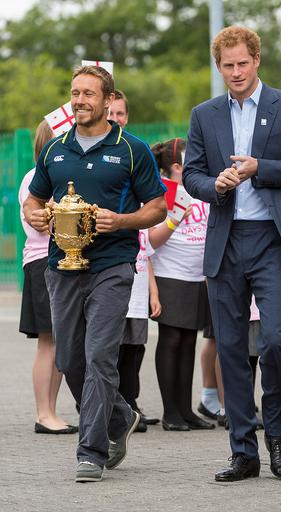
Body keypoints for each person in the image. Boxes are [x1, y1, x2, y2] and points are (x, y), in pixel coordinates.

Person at [183, 25, 281, 481]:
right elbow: (191, 176)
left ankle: (279, 436)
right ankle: (243, 451)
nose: (237, 72)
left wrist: (259, 167)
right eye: (228, 65)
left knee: (276, 341)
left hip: (273, 240)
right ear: (218, 66)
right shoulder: (204, 114)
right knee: (228, 348)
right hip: (225, 240)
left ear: (257, 60)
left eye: (243, 63)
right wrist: (216, 184)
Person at [23, 65, 167, 483]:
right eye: (75, 93)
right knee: (69, 359)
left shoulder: (131, 149)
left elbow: (157, 207)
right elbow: (33, 201)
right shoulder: (55, 150)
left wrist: (119, 221)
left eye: (89, 93)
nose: (81, 101)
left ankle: (92, 450)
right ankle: (120, 416)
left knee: (100, 355)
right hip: (61, 267)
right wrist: (36, 218)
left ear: (107, 100)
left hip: (112, 266)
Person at [149, 138, 214, 431]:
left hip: (197, 276)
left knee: (189, 340)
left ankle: (185, 409)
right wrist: (175, 218)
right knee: (171, 339)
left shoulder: (199, 189)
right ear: (176, 166)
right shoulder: (164, 192)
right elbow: (151, 240)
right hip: (170, 273)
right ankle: (170, 412)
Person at [19, 120, 78, 435]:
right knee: (49, 342)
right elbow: (41, 224)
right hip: (44, 262)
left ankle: (50, 411)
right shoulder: (35, 179)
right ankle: (44, 413)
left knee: (59, 341)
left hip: (57, 263)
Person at [108, 88, 160, 428]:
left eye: (120, 114)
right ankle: (110, 408)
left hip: (137, 257)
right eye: (109, 112)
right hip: (103, 260)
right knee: (106, 345)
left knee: (135, 341)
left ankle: (131, 403)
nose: (114, 119)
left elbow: (153, 204)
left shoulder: (136, 152)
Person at [116, 229, 161, 432]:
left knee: (134, 352)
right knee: (116, 354)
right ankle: (115, 408)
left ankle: (130, 403)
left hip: (139, 297)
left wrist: (154, 293)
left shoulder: (142, 218)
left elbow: (147, 258)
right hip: (120, 294)